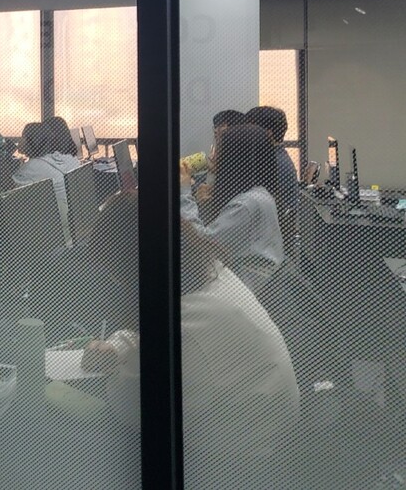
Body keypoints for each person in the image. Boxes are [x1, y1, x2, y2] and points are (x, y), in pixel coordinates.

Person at [83, 219, 300, 490]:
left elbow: (131, 409)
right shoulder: (211, 275)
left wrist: (112, 372)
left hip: (234, 466)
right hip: (264, 440)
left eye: (117, 275)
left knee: (98, 439)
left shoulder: (184, 327)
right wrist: (119, 345)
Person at [181, 123, 285, 289]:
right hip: (250, 283)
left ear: (233, 158)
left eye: (219, 150)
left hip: (241, 289)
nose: (213, 156)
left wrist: (183, 192)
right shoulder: (259, 194)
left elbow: (201, 245)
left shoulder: (247, 205)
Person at [14, 117, 82, 234]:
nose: (19, 140)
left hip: (50, 232)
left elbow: (11, 202)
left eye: (22, 137)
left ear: (31, 141)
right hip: (72, 225)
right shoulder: (67, 160)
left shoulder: (31, 168)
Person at [246, 105, 300, 215]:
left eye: (251, 130)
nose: (246, 134)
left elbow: (251, 201)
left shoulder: (274, 163)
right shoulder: (274, 157)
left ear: (268, 133)